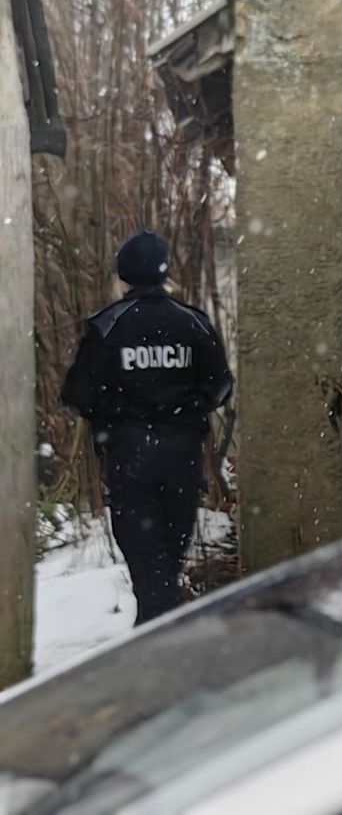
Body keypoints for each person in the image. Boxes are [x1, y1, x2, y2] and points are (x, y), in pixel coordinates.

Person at [62, 230, 233, 625]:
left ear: (123, 272)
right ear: (164, 270)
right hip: (182, 456)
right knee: (169, 557)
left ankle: (156, 630)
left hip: (130, 457)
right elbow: (220, 384)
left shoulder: (107, 326)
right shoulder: (194, 323)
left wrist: (117, 412)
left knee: (146, 558)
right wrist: (186, 406)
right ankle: (162, 626)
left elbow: (78, 393)